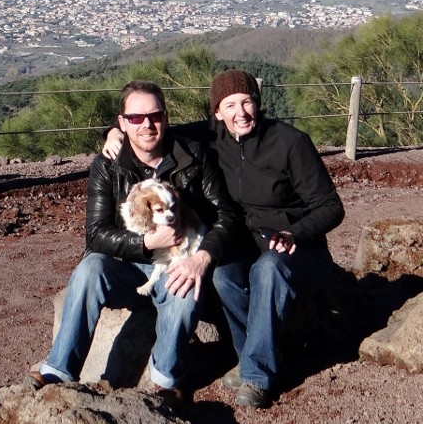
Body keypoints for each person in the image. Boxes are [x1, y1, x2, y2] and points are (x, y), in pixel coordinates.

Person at [102, 70, 345, 408]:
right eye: (229, 105)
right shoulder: (212, 136)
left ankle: (257, 377)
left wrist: (295, 232)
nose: (240, 112)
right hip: (243, 245)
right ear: (217, 112)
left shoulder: (291, 142)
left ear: (257, 104)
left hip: (294, 247)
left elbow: (331, 206)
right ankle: (253, 359)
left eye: (246, 102)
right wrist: (114, 132)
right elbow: (151, 130)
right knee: (220, 275)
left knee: (267, 270)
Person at [31, 80, 238, 407]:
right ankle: (58, 371)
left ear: (166, 118)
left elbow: (226, 215)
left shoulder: (193, 156)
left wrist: (203, 257)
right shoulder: (107, 165)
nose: (147, 124)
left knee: (186, 289)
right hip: (125, 267)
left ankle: (165, 384)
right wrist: (146, 242)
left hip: (173, 262)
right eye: (136, 118)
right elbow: (96, 233)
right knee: (89, 268)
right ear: (122, 122)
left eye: (154, 116)